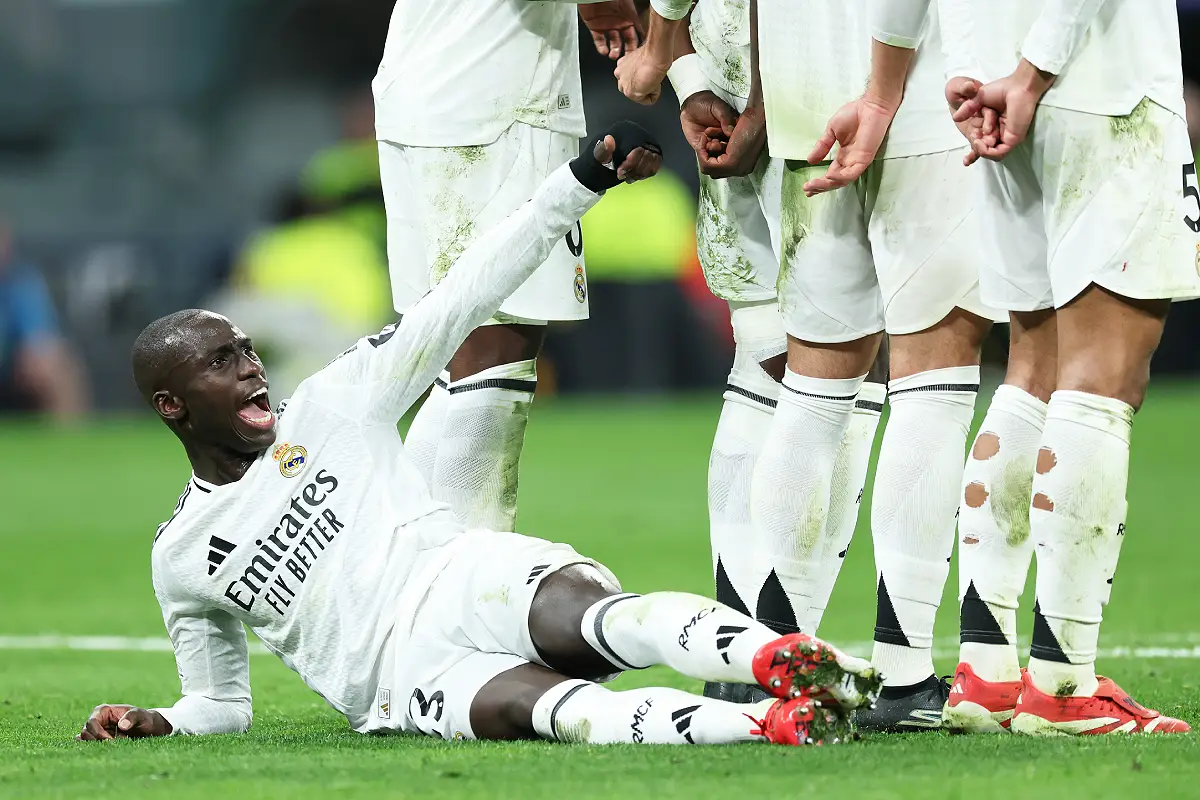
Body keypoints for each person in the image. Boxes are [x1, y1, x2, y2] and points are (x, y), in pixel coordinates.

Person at [76, 127, 882, 747]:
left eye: (248, 350)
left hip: (460, 574)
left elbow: (457, 301)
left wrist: (576, 187)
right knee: (566, 717)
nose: (253, 369)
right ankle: (773, 726)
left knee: (601, 622)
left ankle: (782, 661)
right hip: (402, 679)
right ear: (173, 406)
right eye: (223, 364)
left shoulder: (333, 405)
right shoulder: (183, 555)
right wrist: (161, 722)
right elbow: (219, 702)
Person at [810, 0, 1195, 736]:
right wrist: (1035, 70)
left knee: (1035, 366)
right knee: (1104, 377)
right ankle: (1064, 685)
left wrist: (884, 92)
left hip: (985, 100)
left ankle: (986, 674)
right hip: (1092, 84)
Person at [741, 0, 1007, 731]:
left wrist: (748, 91)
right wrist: (885, 90)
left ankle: (777, 663)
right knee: (932, 386)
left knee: (813, 392)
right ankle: (905, 676)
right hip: (920, 105)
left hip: (804, 104)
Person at [613, 0, 887, 705]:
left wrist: (675, 66)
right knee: (844, 372)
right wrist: (760, 99)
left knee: (765, 361)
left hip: (726, 69)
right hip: (816, 78)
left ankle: (738, 655)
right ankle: (782, 650)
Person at [373, 0, 645, 535]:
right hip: (494, 98)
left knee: (451, 354)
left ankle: (408, 571)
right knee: (495, 347)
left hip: (427, 85)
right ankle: (464, 583)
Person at [0, 221, 89, 421]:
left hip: (9, 372)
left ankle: (68, 443)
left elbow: (40, 338)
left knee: (56, 362)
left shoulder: (21, 283)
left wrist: (37, 356)